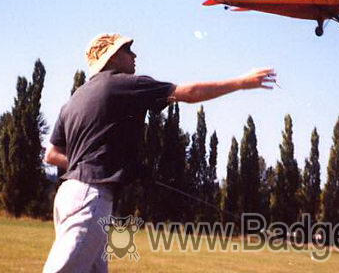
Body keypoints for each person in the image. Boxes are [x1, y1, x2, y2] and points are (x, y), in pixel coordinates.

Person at [43, 33, 276, 272]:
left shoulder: (75, 98)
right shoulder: (122, 84)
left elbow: (52, 154)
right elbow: (190, 93)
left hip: (69, 194)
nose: (135, 55)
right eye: (127, 50)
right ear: (111, 58)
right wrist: (242, 82)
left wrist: (101, 162)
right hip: (90, 198)